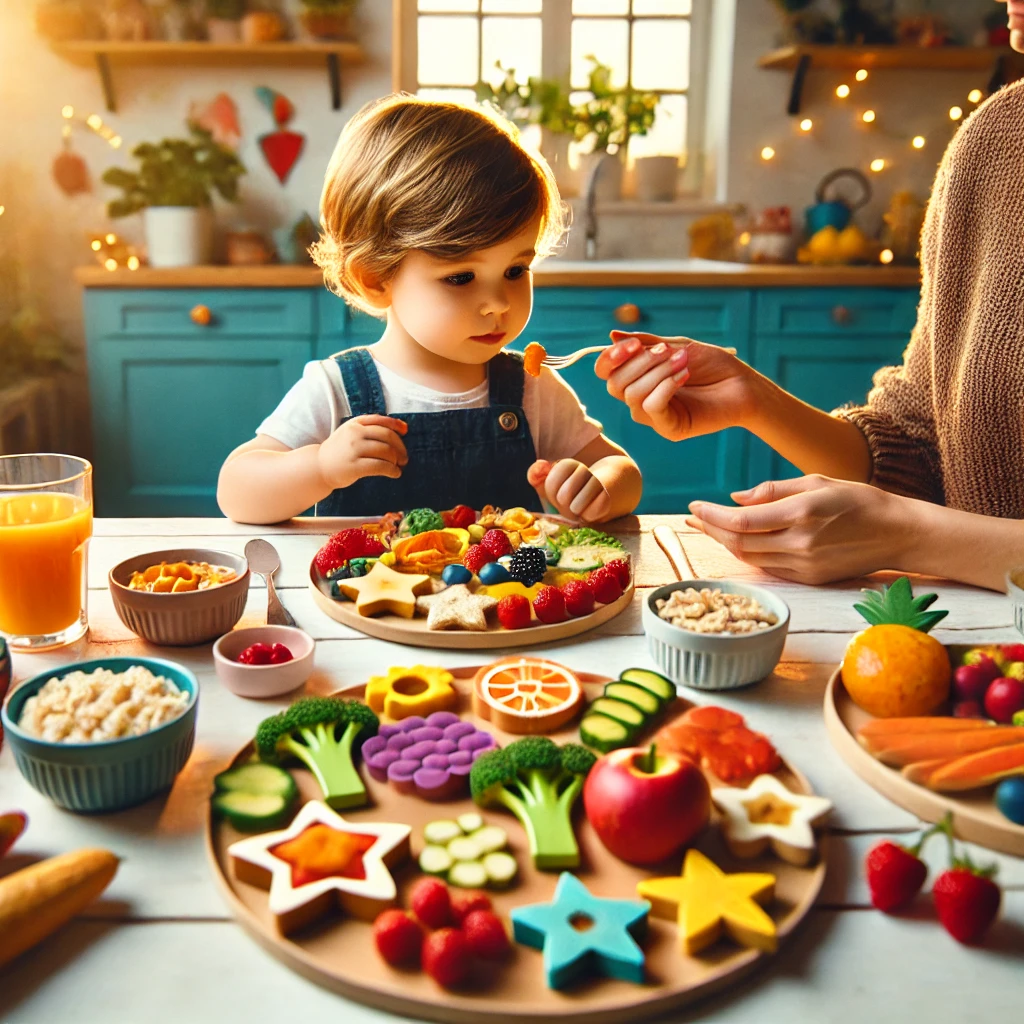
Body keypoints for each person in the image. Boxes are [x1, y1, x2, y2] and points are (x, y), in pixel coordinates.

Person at [594, 3, 1024, 592]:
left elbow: (913, 519)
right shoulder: (994, 143)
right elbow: (922, 448)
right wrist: (754, 401)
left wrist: (909, 536)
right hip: (971, 654)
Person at [218, 96, 641, 525]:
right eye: (461, 278)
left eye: (516, 269)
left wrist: (598, 487)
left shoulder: (532, 389)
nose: (498, 303)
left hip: (511, 592)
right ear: (375, 278)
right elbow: (236, 491)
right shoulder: (336, 390)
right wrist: (321, 467)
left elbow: (622, 471)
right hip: (369, 593)